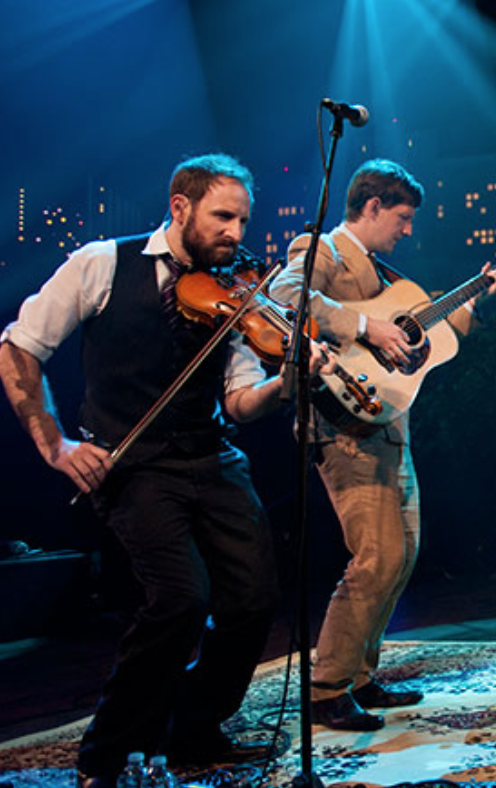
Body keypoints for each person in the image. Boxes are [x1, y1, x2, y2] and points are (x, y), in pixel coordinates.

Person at [0, 154, 305, 787]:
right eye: (223, 217)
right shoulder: (101, 263)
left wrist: (287, 381)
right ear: (180, 208)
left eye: (243, 220)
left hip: (210, 455)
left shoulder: (234, 293)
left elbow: (240, 401)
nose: (236, 233)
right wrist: (55, 445)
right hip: (132, 462)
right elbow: (18, 347)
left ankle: (194, 727)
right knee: (180, 599)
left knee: (253, 599)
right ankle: (106, 753)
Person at [270, 159, 496, 731]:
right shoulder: (321, 247)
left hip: (388, 424)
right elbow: (283, 297)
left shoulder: (379, 271)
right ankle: (326, 688)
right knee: (376, 556)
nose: (408, 230)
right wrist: (364, 327)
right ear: (371, 207)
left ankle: (357, 676)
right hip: (343, 428)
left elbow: (434, 332)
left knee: (401, 555)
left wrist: (481, 294)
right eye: (401, 217)